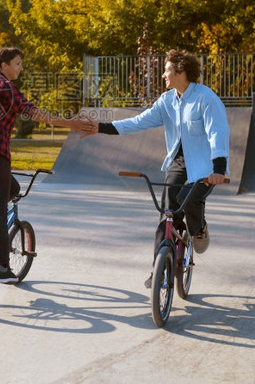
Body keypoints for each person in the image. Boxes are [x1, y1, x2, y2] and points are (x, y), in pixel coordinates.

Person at [83, 49, 229, 287]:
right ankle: (158, 269)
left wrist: (219, 169)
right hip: (179, 164)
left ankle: (199, 229)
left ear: (181, 71)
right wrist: (101, 127)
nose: (163, 75)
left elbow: (217, 133)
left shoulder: (206, 98)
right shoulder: (167, 101)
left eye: (167, 69)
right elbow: (139, 122)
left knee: (188, 198)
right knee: (167, 215)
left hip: (205, 166)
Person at [0, 47, 93, 284]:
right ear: (3, 65)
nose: (21, 68)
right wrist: (69, 123)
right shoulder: (5, 87)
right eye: (17, 63)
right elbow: (33, 113)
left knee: (11, 190)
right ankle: (3, 269)